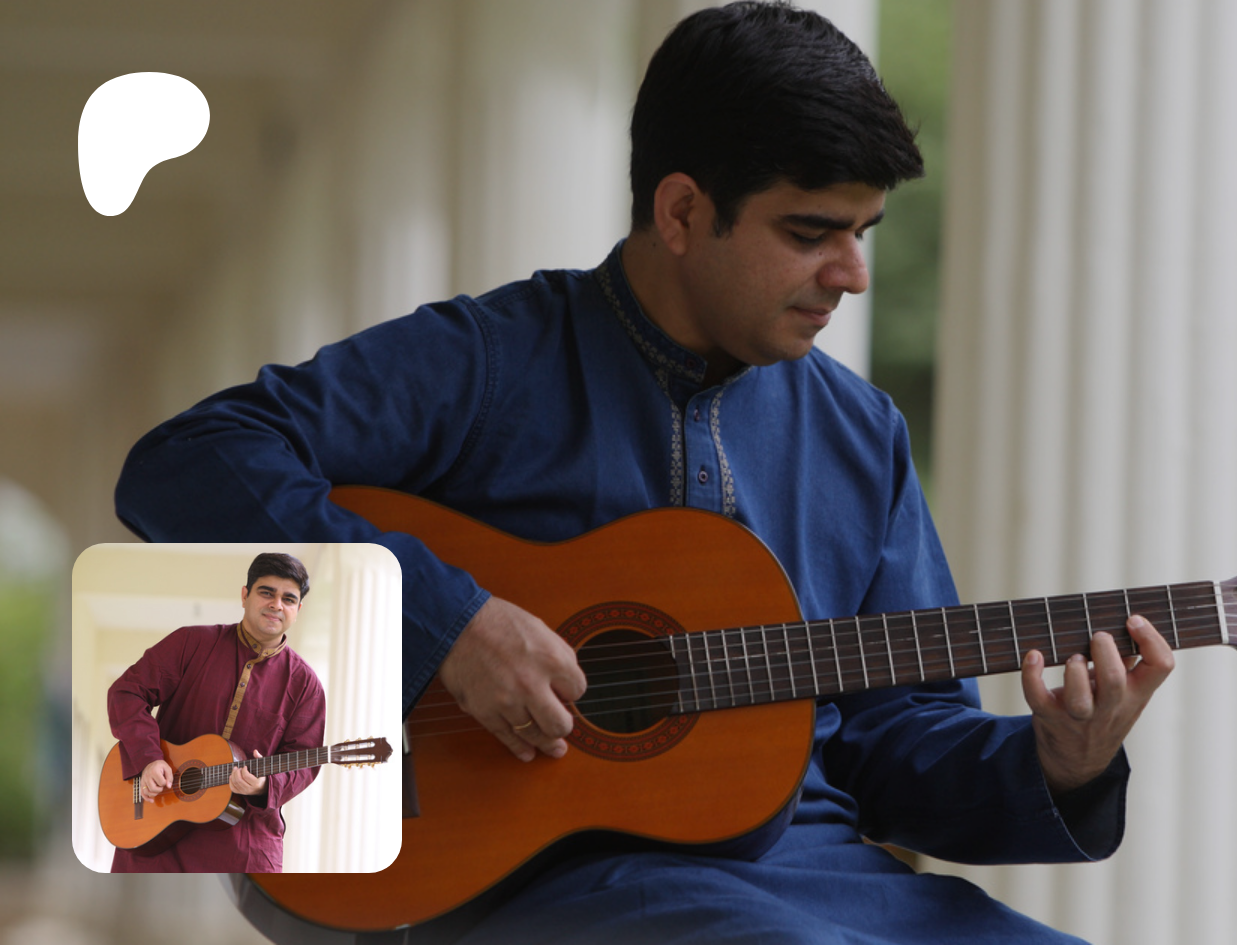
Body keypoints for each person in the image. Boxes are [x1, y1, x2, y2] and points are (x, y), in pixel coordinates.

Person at [115, 1, 1171, 939]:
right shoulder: (490, 360)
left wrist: (1060, 760)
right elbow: (187, 463)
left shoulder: (862, 434)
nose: (852, 274)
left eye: (863, 232)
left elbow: (900, 742)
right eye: (812, 231)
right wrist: (450, 626)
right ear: (681, 213)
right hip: (540, 886)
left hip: (821, 876)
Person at [107, 552, 327, 873]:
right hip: (155, 822)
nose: (276, 605)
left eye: (288, 599)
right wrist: (148, 758)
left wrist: (263, 785)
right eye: (266, 592)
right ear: (245, 595)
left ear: (298, 610)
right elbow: (127, 693)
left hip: (241, 844)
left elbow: (304, 762)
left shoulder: (306, 686)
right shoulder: (191, 642)